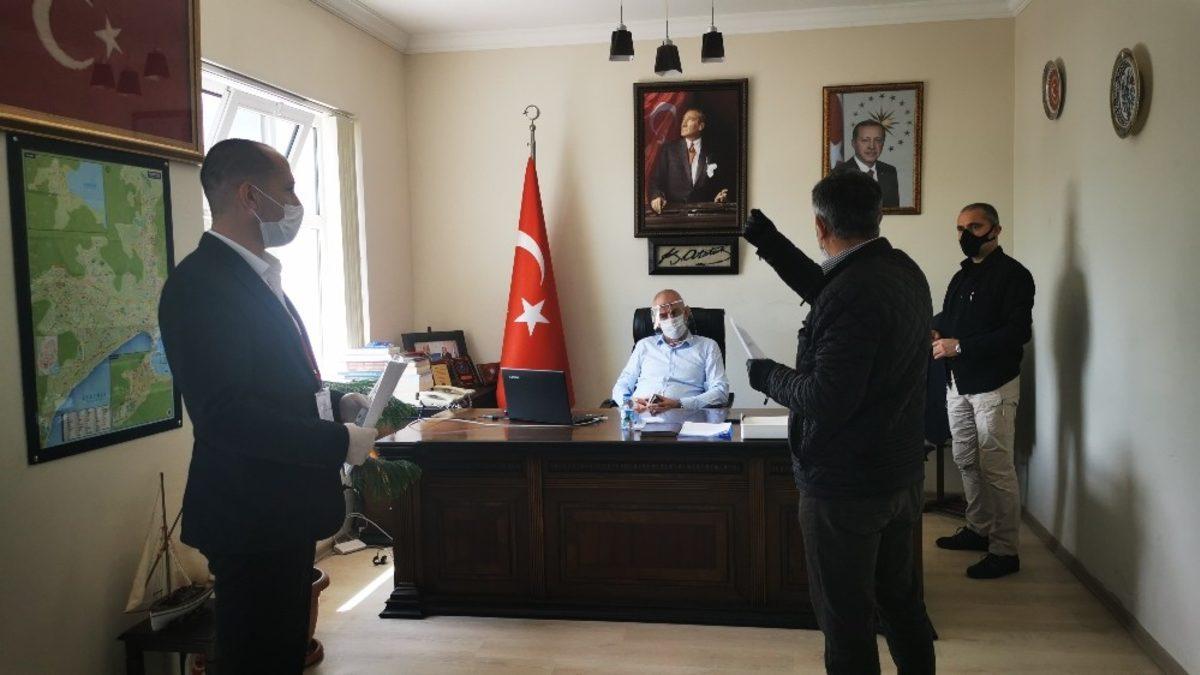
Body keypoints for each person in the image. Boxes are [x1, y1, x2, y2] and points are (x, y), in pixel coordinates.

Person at [158, 139, 377, 674]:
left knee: (281, 651)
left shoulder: (256, 276)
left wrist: (337, 404)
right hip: (249, 514)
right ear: (249, 196)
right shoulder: (202, 285)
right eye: (289, 190)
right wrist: (338, 442)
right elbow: (226, 415)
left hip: (281, 509)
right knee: (256, 658)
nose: (296, 204)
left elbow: (274, 381)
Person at [742, 172, 935, 674]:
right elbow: (830, 291)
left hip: (847, 487)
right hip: (899, 473)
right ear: (879, 216)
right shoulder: (901, 270)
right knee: (902, 605)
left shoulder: (853, 291)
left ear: (821, 226)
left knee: (846, 622)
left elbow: (825, 398)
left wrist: (767, 375)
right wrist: (770, 243)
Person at [932, 202, 1035, 580]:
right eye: (960, 228)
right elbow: (951, 319)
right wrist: (936, 329)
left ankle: (1005, 551)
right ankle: (978, 529)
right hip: (957, 383)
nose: (966, 235)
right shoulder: (961, 275)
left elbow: (1017, 333)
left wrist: (960, 346)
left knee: (996, 468)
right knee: (965, 459)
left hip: (994, 385)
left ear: (996, 230)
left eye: (974, 227)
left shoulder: (1014, 275)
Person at [611, 289, 729, 414]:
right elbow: (621, 386)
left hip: (685, 418)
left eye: (675, 312)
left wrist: (679, 404)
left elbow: (721, 391)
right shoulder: (644, 346)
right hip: (640, 418)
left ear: (686, 313)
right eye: (663, 316)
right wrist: (630, 404)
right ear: (656, 320)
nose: (671, 319)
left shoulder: (708, 346)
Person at [648, 108, 731, 214]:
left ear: (701, 126)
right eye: (683, 120)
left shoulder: (714, 151)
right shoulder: (669, 150)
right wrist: (656, 196)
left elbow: (722, 183)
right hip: (673, 214)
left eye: (689, 119)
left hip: (706, 214)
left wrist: (721, 195)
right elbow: (655, 181)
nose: (683, 124)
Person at [833, 119, 900, 208]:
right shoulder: (839, 174)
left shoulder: (889, 171)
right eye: (865, 140)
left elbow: (894, 211)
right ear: (853, 143)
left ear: (883, 144)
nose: (872, 146)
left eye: (878, 140)